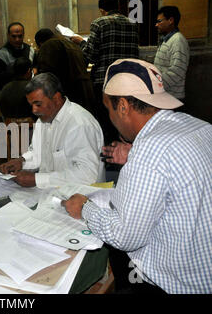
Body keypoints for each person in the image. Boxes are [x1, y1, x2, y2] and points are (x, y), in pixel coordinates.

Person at [63, 58, 212, 294]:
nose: (109, 117)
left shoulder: (150, 151)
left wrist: (84, 207)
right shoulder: (198, 126)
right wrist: (135, 155)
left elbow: (125, 236)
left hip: (179, 284)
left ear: (123, 106)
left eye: (108, 108)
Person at [0, 72, 105, 188]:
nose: (34, 110)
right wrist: (21, 162)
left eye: (38, 104)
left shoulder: (80, 124)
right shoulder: (43, 120)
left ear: (56, 99)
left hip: (80, 197)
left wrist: (37, 179)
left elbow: (87, 175)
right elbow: (37, 154)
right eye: (31, 105)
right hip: (49, 193)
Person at [71, 0, 139, 145]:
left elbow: (91, 55)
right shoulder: (132, 23)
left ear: (102, 10)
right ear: (118, 7)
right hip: (129, 80)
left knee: (105, 119)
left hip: (106, 80)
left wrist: (81, 42)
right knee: (125, 117)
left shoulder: (99, 23)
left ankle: (108, 154)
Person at [34, 28, 95, 114]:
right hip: (84, 92)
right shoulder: (72, 45)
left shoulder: (48, 45)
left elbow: (47, 74)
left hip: (68, 93)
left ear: (40, 43)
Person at [154, 6, 189, 101]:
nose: (156, 25)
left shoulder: (178, 40)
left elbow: (177, 71)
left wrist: (156, 84)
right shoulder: (166, 40)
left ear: (170, 20)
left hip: (172, 98)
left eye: (159, 21)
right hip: (164, 95)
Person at [0, 22, 35, 90]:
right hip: (11, 92)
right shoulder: (2, 54)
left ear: (23, 35)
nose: (17, 39)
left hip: (30, 90)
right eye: (14, 36)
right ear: (8, 35)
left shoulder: (30, 50)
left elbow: (37, 67)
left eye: (20, 36)